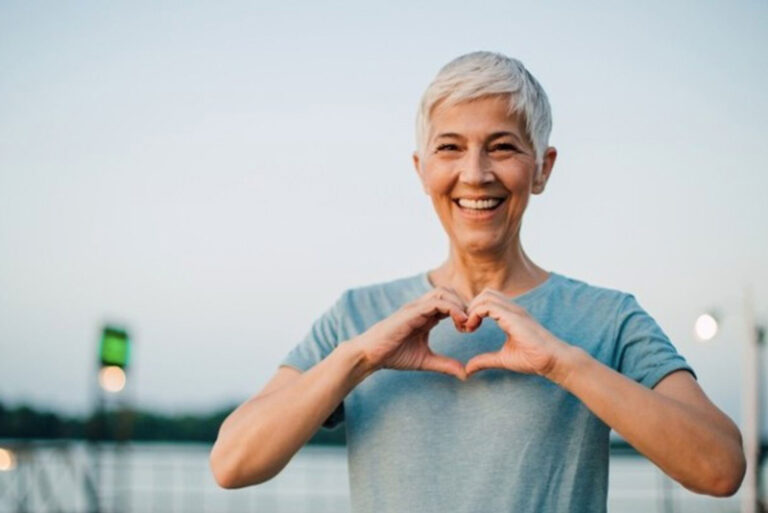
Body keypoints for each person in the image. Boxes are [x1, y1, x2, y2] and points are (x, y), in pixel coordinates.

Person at [209, 50, 746, 512]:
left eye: (503, 146)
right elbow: (232, 463)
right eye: (450, 147)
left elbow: (720, 469)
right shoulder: (357, 316)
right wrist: (360, 359)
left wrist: (564, 363)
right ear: (421, 169)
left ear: (542, 168)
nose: (476, 172)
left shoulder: (609, 317)